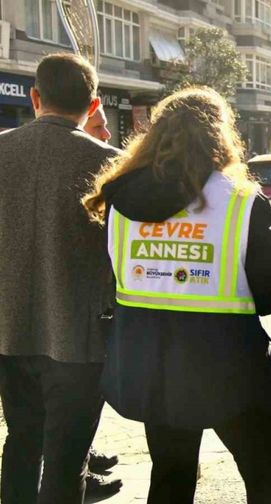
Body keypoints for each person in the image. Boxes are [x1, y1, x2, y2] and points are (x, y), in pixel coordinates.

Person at [81, 87, 271, 504]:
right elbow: (270, 293)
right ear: (220, 136)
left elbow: (112, 277)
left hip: (154, 366)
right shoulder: (240, 201)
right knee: (263, 476)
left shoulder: (120, 200)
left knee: (171, 478)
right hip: (231, 369)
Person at [0, 53, 120, 504]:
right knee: (68, 460)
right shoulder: (110, 165)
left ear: (35, 97)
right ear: (93, 106)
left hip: (9, 333)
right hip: (80, 338)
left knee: (20, 443)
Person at [80, 102, 124, 499]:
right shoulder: (106, 169)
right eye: (99, 126)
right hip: (82, 314)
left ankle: (86, 456)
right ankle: (80, 473)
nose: (107, 135)